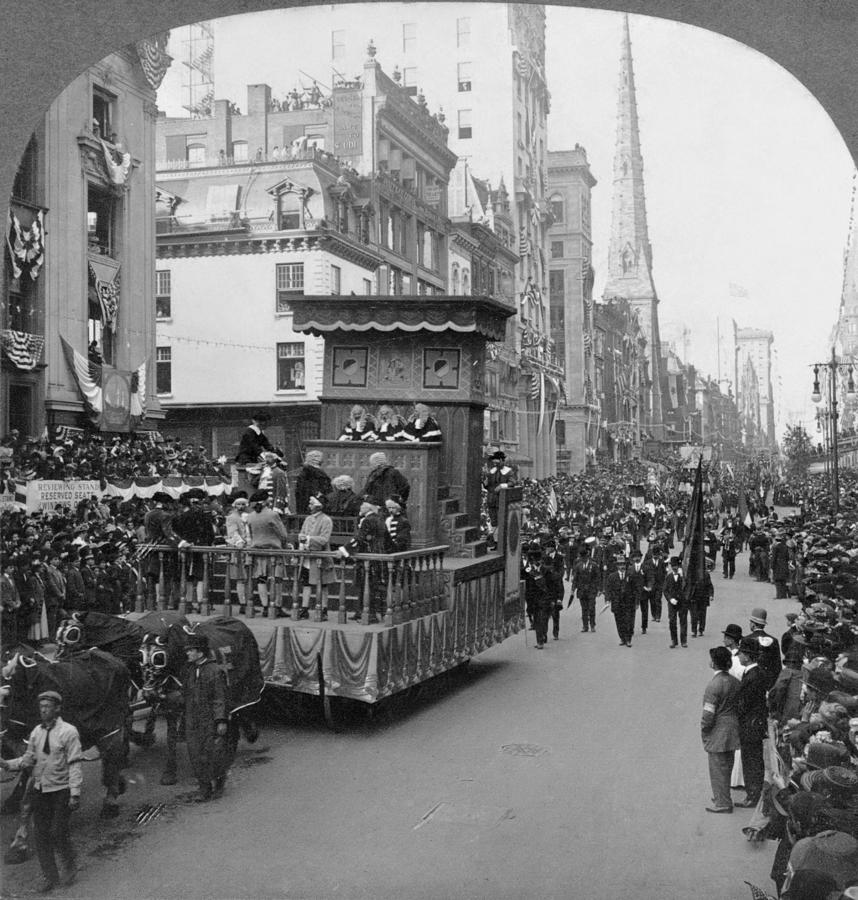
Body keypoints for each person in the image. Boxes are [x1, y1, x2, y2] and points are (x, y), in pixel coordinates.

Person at [0, 691, 82, 891]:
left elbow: (75, 764)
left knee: (57, 831)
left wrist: (75, 793)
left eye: (47, 707)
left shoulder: (69, 732)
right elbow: (28, 759)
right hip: (41, 789)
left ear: (57, 709)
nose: (43, 710)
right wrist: (6, 764)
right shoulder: (36, 732)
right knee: (41, 835)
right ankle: (50, 878)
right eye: (41, 707)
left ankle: (69, 864)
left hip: (62, 790)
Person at [182, 632, 231, 803]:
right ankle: (204, 789)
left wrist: (220, 720)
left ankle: (218, 783)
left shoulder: (214, 671)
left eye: (190, 650)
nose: (187, 653)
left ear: (200, 652)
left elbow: (219, 698)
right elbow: (186, 694)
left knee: (212, 754)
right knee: (195, 754)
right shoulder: (189, 670)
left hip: (209, 720)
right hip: (192, 719)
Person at [701, 646, 741, 813]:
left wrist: (704, 728)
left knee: (717, 767)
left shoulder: (713, 685)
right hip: (733, 727)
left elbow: (708, 714)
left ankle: (722, 801)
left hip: (718, 729)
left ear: (714, 663)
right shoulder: (735, 682)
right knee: (727, 765)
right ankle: (723, 796)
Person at [337, 500, 387, 622]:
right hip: (378, 554)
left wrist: (344, 550)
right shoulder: (379, 518)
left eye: (362, 506)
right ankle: (362, 611)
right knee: (369, 585)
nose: (360, 508)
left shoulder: (368, 520)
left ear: (367, 508)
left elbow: (359, 538)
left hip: (369, 555)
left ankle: (368, 613)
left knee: (366, 584)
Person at [735, 636, 768, 808]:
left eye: (741, 653)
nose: (739, 656)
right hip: (755, 723)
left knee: (751, 761)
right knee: (753, 759)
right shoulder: (756, 673)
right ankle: (754, 793)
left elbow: (744, 704)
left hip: (750, 725)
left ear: (747, 656)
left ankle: (752, 795)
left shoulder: (753, 676)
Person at [246, 490, 289, 616]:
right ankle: (277, 606)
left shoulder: (250, 516)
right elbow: (283, 534)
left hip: (258, 551)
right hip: (273, 550)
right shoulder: (272, 515)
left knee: (261, 579)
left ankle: (265, 606)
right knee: (277, 579)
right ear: (265, 501)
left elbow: (250, 534)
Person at [297, 495, 334, 620]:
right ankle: (304, 608)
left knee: (323, 585)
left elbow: (324, 539)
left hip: (321, 557)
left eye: (312, 504)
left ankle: (323, 609)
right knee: (306, 584)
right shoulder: (308, 519)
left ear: (319, 506)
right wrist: (302, 540)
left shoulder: (326, 520)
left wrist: (308, 539)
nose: (309, 506)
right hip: (307, 557)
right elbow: (302, 532)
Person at [746, 607, 782, 690]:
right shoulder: (774, 640)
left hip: (750, 682)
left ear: (753, 624)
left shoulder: (746, 640)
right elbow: (777, 666)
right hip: (768, 682)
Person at [605, 550, 636, 647]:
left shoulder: (630, 575)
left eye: (623, 564)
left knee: (629, 621)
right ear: (617, 566)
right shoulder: (612, 576)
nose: (622, 567)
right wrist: (607, 599)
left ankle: (628, 639)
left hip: (628, 602)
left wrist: (636, 601)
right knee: (619, 621)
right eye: (619, 565)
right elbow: (608, 589)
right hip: (617, 602)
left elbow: (635, 589)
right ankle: (622, 638)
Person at [484, 451, 514, 551]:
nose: (495, 463)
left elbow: (512, 482)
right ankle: (496, 543)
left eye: (497, 461)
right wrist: (485, 483)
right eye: (494, 462)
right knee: (494, 522)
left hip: (501, 499)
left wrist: (502, 486)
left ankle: (501, 543)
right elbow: (488, 486)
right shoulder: (491, 471)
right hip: (491, 500)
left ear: (501, 460)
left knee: (501, 521)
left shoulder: (508, 471)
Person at [571, 545, 601, 633]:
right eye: (581, 557)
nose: (583, 559)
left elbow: (598, 577)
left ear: (587, 556)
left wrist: (598, 589)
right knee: (584, 609)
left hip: (591, 589)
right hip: (581, 590)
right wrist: (573, 589)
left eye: (584, 557)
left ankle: (592, 625)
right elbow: (575, 579)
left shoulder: (594, 565)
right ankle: (585, 626)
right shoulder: (578, 566)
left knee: (591, 607)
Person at [294, 450, 332, 514]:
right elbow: (326, 491)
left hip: (303, 508)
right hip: (318, 508)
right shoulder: (320, 475)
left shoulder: (303, 474)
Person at [664, 556, 688, 648]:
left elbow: (686, 587)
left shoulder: (683, 576)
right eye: (673, 566)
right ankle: (674, 640)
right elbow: (665, 590)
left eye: (676, 566)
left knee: (683, 621)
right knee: (672, 622)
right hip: (672, 603)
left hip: (682, 602)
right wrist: (670, 599)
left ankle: (684, 641)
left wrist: (682, 577)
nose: (675, 568)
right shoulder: (669, 577)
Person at [689, 561, 714, 639]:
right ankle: (694, 631)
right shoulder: (692, 574)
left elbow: (710, 586)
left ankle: (701, 629)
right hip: (694, 597)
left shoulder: (706, 574)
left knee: (702, 615)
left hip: (703, 597)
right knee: (694, 615)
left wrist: (711, 595)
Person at [771, 533, 790, 599]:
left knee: (777, 580)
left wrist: (772, 566)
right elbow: (788, 557)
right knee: (783, 580)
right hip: (784, 564)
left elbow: (774, 557)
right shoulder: (786, 547)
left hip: (778, 564)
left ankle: (779, 595)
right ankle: (784, 595)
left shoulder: (775, 547)